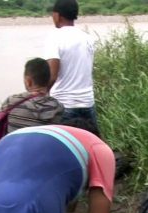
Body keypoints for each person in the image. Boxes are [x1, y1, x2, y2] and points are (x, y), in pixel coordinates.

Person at [45, 0, 98, 128]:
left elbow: (52, 75)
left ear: (57, 15)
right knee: (88, 145)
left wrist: (42, 93)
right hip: (87, 103)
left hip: (64, 104)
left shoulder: (54, 38)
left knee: (63, 146)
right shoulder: (87, 38)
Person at [0, 58, 64, 133]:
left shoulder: (12, 102)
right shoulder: (58, 107)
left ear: (28, 81)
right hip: (43, 151)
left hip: (14, 151)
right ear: (49, 79)